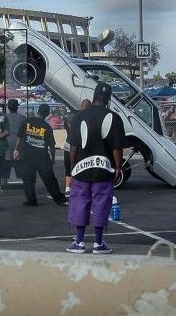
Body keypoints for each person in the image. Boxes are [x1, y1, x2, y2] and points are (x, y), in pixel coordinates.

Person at [66, 83, 125, 254]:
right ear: (108, 99)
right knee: (101, 204)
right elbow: (117, 148)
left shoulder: (79, 116)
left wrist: (72, 167)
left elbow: (74, 146)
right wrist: (118, 168)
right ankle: (99, 243)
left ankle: (79, 242)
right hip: (104, 170)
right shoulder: (114, 117)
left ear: (94, 96)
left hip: (81, 169)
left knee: (79, 203)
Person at [13, 104, 67, 207]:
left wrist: (16, 150)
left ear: (38, 111)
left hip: (28, 156)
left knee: (28, 179)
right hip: (42, 157)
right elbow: (52, 145)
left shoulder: (27, 121)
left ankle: (31, 200)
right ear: (47, 114)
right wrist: (53, 158)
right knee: (50, 179)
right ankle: (59, 199)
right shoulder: (47, 127)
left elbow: (19, 137)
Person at [63, 99, 91, 196]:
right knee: (80, 167)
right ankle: (79, 188)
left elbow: (66, 127)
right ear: (89, 107)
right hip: (79, 145)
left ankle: (67, 189)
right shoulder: (87, 116)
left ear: (80, 105)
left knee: (68, 168)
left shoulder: (70, 116)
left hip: (68, 143)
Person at [3, 99, 26, 185]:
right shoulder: (23, 118)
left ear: (8, 107)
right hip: (19, 144)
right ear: (17, 107)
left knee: (5, 167)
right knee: (21, 167)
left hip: (6, 144)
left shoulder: (3, 117)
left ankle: (4, 185)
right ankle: (25, 184)